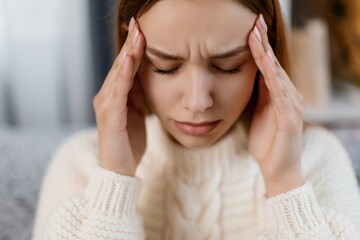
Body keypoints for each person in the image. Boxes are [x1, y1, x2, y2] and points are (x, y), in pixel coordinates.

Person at [32, 0, 360, 239]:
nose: (197, 102)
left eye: (228, 66)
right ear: (129, 54)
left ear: (266, 56)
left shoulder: (317, 158)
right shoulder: (80, 163)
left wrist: (285, 186)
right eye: (165, 66)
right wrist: (114, 180)